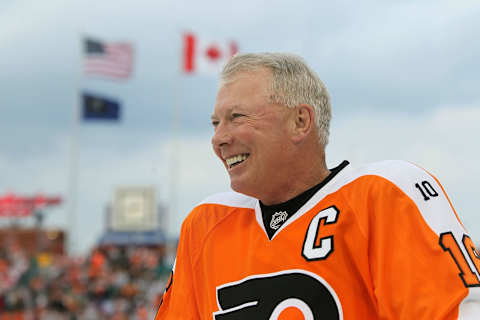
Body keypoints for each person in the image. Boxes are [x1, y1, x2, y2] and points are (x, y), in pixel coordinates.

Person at [155, 53, 480, 319]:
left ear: (300, 122)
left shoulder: (384, 195)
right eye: (216, 123)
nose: (219, 138)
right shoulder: (206, 224)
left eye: (236, 117)